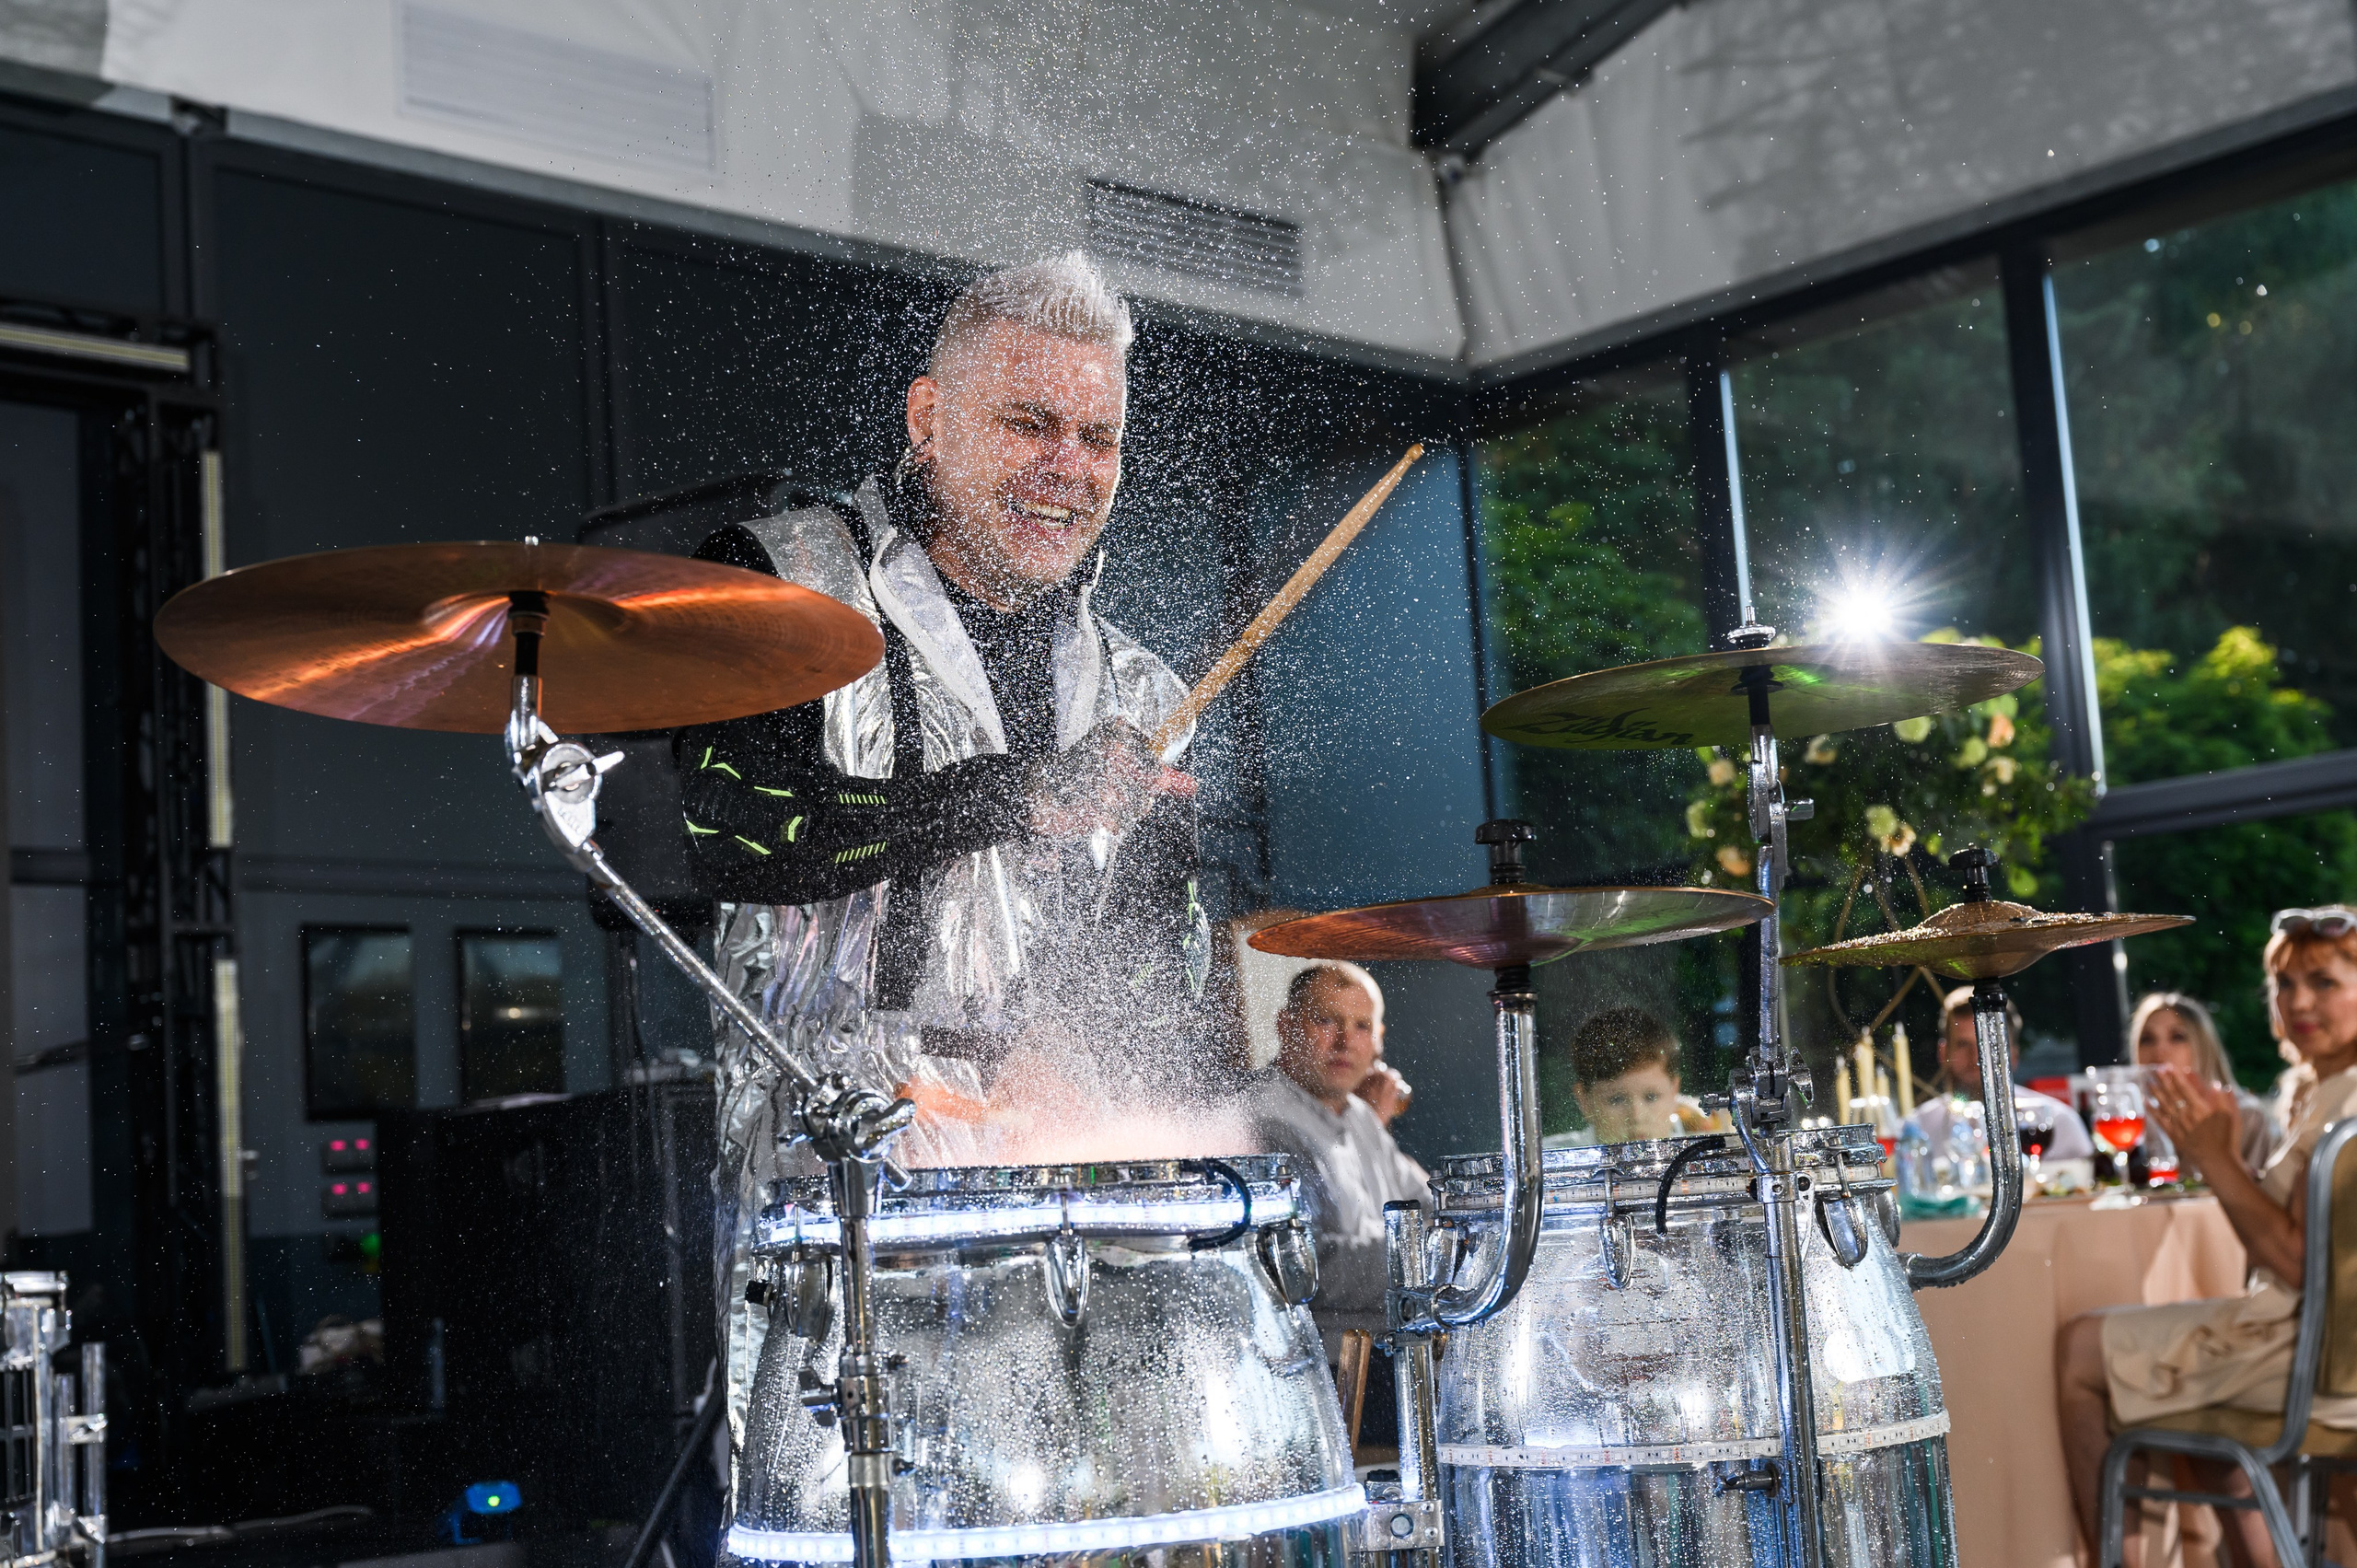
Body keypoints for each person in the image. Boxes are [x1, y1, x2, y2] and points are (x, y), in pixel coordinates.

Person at [673, 252, 1210, 1477]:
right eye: (1027, 422)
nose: (1067, 468)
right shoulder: (784, 576)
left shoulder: (1144, 694)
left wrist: (1101, 1081)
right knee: (860, 1510)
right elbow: (739, 830)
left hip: (1062, 1197)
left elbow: (1152, 981)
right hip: (839, 1181)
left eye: (1098, 435)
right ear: (929, 418)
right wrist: (1013, 794)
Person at [2058, 908, 2357, 1565]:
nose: (2299, 1000)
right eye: (2284, 983)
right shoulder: (2330, 1090)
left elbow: (2299, 1262)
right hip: (2323, 1357)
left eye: (2324, 982)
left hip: (2313, 1365)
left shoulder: (2348, 1104)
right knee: (2174, 1383)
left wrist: (2215, 1157)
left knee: (2079, 1348)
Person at [1246, 963, 1428, 1352]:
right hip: (1324, 1367)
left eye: (1362, 1027)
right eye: (1326, 1020)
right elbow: (1308, 1269)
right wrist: (1427, 1252)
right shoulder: (1262, 1120)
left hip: (1394, 1350)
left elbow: (1428, 1203)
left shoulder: (1360, 1116)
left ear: (1378, 1042)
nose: (1345, 1041)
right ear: (1285, 1026)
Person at [1913, 985, 2093, 1162]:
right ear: (1943, 1053)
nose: (1977, 1057)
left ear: (2013, 1055)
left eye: (1990, 1045)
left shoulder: (2057, 1124)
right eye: (1963, 1045)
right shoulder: (1917, 1131)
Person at [2131, 991, 2280, 1175]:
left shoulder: (2246, 1117)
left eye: (2177, 1037)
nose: (2159, 1051)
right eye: (2147, 1039)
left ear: (2202, 1046)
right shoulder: (2135, 1126)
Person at [1542, 1007, 1725, 1149]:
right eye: (1616, 1099)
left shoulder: (1714, 1143)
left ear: (1674, 1090)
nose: (1637, 1116)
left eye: (1651, 1097)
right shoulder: (1547, 1163)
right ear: (1584, 1100)